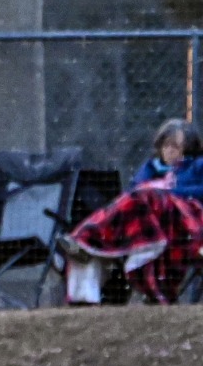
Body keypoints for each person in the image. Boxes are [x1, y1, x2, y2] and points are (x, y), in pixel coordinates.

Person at [60, 119, 203, 304]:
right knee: (135, 199)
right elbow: (133, 192)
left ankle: (85, 238)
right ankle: (84, 244)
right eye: (165, 145)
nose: (169, 150)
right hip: (147, 224)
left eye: (175, 146)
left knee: (148, 196)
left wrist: (168, 192)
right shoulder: (151, 167)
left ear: (188, 148)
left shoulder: (197, 166)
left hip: (182, 222)